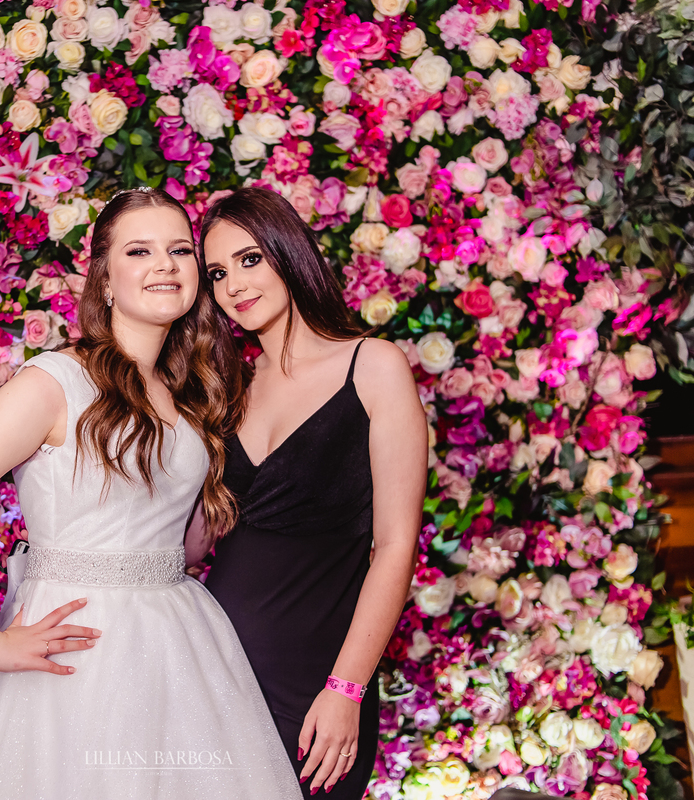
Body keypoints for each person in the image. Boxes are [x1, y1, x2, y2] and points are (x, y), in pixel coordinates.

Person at [0, 188, 302, 799]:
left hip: (178, 642)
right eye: (139, 251)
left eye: (180, 251)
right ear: (106, 279)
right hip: (80, 645)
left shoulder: (190, 396)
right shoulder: (55, 381)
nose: (165, 265)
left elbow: (180, 541)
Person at [189, 187, 427, 798]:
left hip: (316, 689)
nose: (234, 285)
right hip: (212, 672)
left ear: (287, 252)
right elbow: (193, 546)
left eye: (249, 259)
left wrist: (346, 689)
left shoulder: (372, 366)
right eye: (217, 273)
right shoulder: (230, 390)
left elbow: (395, 547)